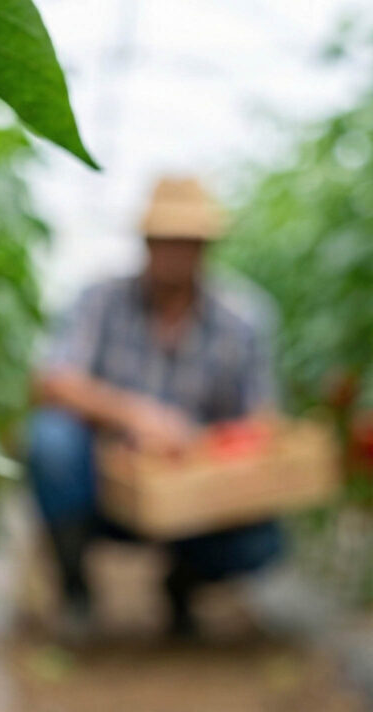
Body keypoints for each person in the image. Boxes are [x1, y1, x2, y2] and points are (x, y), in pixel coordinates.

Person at [28, 176, 283, 639]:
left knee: (263, 539)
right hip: (107, 481)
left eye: (188, 242)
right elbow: (53, 381)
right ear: (146, 243)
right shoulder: (100, 301)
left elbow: (260, 421)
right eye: (166, 241)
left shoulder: (242, 318)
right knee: (51, 441)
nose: (176, 253)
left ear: (206, 247)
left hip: (195, 493)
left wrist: (201, 450)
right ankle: (76, 587)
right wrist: (137, 416)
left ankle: (182, 585)